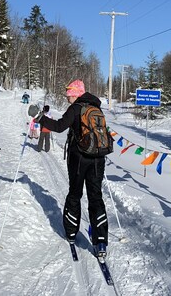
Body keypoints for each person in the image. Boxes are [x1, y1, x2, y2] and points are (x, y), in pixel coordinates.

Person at [34, 80, 109, 257]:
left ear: (76, 93)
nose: (67, 96)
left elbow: (59, 127)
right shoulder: (96, 107)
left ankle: (71, 233)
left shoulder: (76, 108)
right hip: (98, 159)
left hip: (79, 158)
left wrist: (40, 118)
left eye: (69, 93)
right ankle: (100, 243)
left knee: (75, 194)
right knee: (96, 197)